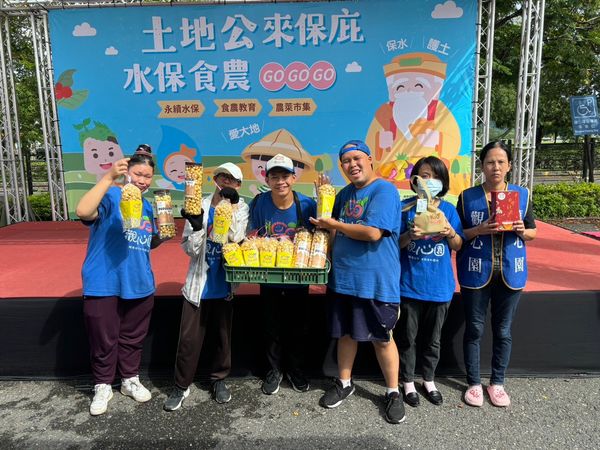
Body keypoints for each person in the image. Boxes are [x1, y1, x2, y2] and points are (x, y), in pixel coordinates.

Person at [310, 140, 405, 424]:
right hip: (343, 279)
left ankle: (393, 392)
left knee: (382, 338)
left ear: (370, 159)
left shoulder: (384, 190)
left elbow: (373, 233)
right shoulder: (343, 194)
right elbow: (331, 230)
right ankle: (344, 383)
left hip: (375, 281)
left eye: (356, 158)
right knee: (346, 334)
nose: (352, 165)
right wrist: (324, 201)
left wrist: (334, 224)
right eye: (346, 161)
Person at [76, 144, 162, 416]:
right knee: (103, 339)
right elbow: (83, 211)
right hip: (104, 281)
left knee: (133, 338)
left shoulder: (146, 206)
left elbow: (145, 241)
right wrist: (108, 177)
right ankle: (102, 384)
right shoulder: (112, 195)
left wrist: (162, 235)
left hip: (139, 281)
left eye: (147, 177)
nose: (143, 181)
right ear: (127, 173)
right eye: (138, 174)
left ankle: (129, 379)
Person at [456, 141, 537, 407]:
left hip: (511, 271)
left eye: (501, 162)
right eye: (490, 162)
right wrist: (479, 229)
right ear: (482, 166)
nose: (496, 167)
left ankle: (497, 382)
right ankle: (473, 383)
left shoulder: (522, 195)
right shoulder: (467, 197)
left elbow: (533, 232)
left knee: (503, 330)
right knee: (475, 329)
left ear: (510, 166)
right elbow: (457, 235)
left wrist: (521, 230)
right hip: (476, 270)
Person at [163, 162, 249, 411]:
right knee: (188, 340)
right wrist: (198, 226)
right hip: (198, 285)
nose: (226, 182)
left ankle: (218, 380)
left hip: (224, 283)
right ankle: (181, 385)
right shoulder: (197, 205)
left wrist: (231, 207)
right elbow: (189, 249)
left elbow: (237, 239)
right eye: (222, 177)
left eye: (232, 179)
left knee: (222, 338)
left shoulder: (243, 207)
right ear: (215, 179)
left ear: (238, 185)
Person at [248, 153, 317, 395]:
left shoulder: (307, 205)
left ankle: (296, 370)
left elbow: (318, 237)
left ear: (294, 178)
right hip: (269, 277)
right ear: (267, 180)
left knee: (298, 327)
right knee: (271, 326)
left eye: (285, 176)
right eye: (275, 177)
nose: (280, 182)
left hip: (299, 278)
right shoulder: (259, 203)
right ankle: (274, 370)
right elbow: (252, 234)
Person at [397, 156, 463, 407]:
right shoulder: (405, 208)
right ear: (414, 180)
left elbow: (458, 245)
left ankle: (429, 379)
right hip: (409, 285)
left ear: (443, 182)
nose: (429, 181)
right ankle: (407, 382)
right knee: (407, 338)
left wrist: (450, 232)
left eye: (435, 176)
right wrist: (409, 235)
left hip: (439, 287)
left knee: (433, 340)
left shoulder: (448, 210)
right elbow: (395, 244)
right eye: (424, 176)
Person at [364, 52, 462, 192]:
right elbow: (369, 147)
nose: (409, 91)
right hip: (392, 174)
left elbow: (454, 140)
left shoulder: (441, 111)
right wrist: (379, 142)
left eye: (418, 86)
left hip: (430, 177)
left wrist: (438, 139)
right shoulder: (384, 112)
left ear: (435, 88)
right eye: (400, 87)